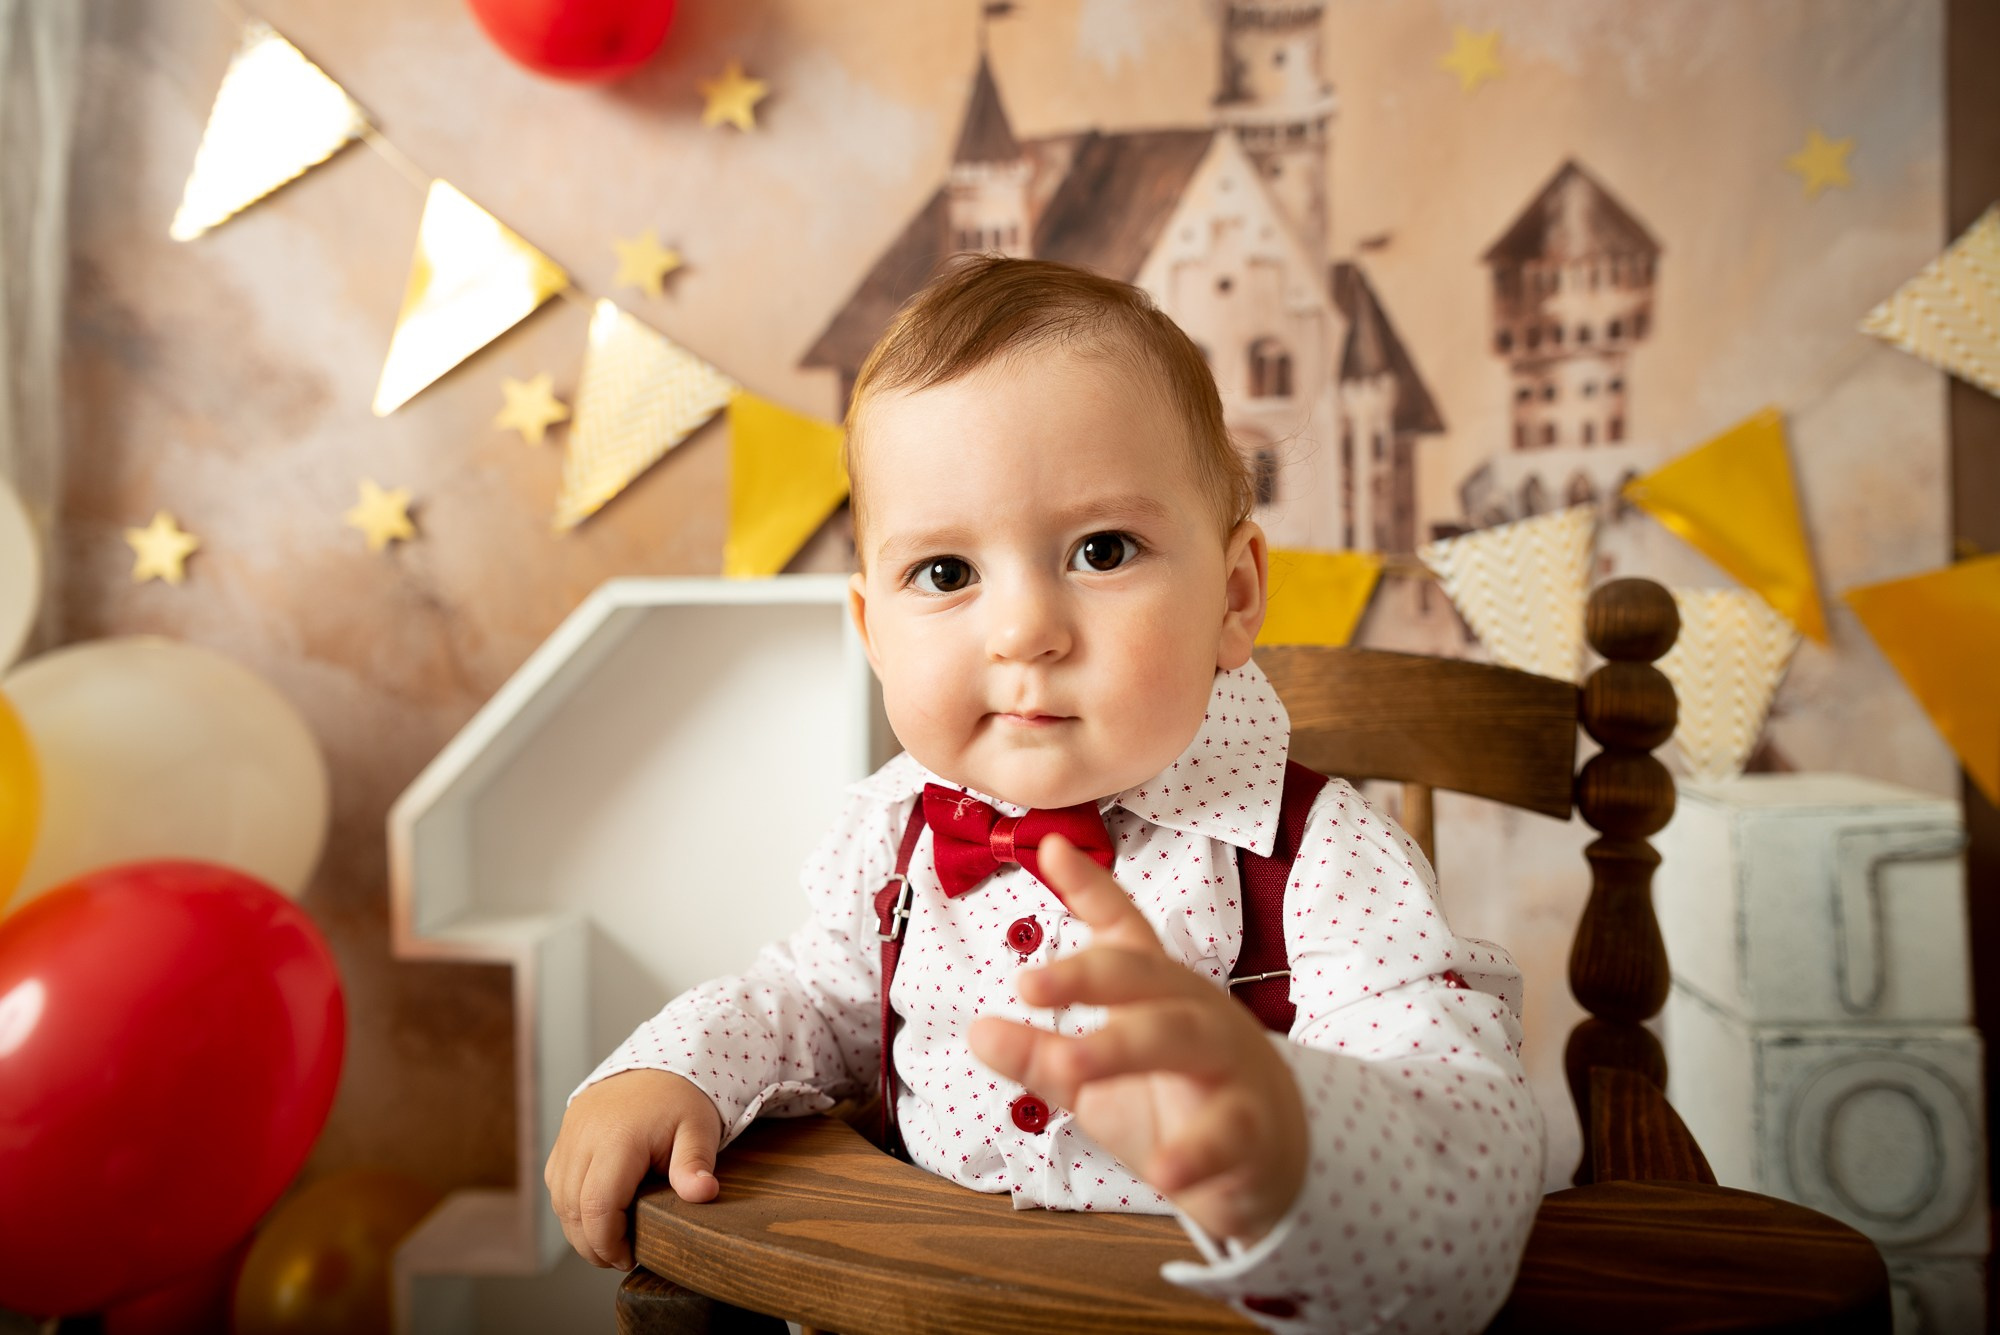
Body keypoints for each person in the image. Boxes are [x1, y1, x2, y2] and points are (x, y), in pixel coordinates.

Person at [545, 256, 1544, 1331]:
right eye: (944, 573)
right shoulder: (892, 839)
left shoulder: (1319, 863)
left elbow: (1472, 1152)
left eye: (1100, 550)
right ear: (871, 628)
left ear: (1234, 595)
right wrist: (669, 1069)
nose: (1024, 630)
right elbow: (804, 1006)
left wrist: (1281, 1130)